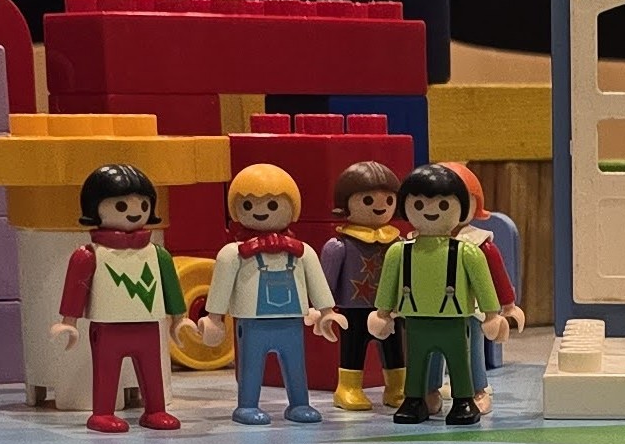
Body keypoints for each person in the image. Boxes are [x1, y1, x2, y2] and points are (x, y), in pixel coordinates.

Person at [51, 164, 193, 433]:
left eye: (142, 205)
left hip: (148, 324)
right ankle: (102, 413)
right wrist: (68, 322)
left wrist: (179, 319)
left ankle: (155, 409)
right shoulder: (90, 254)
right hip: (108, 328)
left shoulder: (157, 254)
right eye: (120, 206)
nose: (134, 212)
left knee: (153, 369)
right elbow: (76, 288)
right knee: (106, 370)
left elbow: (170, 288)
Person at [198, 163, 344, 424]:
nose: (261, 211)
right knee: (251, 366)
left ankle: (299, 403)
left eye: (272, 205)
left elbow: (317, 282)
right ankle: (247, 405)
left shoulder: (302, 251)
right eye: (249, 205)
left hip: (291, 320)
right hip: (252, 322)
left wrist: (326, 312)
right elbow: (221, 286)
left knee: (296, 365)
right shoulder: (234, 254)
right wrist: (214, 317)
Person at [369, 163, 511, 425]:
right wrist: (382, 313)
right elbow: (388, 285)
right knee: (417, 363)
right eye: (420, 205)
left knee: (459, 361)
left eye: (443, 205)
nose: (431, 211)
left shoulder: (468, 251)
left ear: (460, 208)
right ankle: (415, 399)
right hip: (415, 319)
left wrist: (492, 315)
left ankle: (463, 400)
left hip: (454, 320)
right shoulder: (400, 251)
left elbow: (483, 284)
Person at [317, 159, 407, 411]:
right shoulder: (339, 246)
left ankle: (396, 387)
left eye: (388, 200)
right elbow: (326, 281)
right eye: (368, 200)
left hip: (390, 308)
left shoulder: (397, 243)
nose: (380, 206)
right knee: (352, 347)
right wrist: (324, 310)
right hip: (353, 310)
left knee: (394, 347)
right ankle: (348, 387)